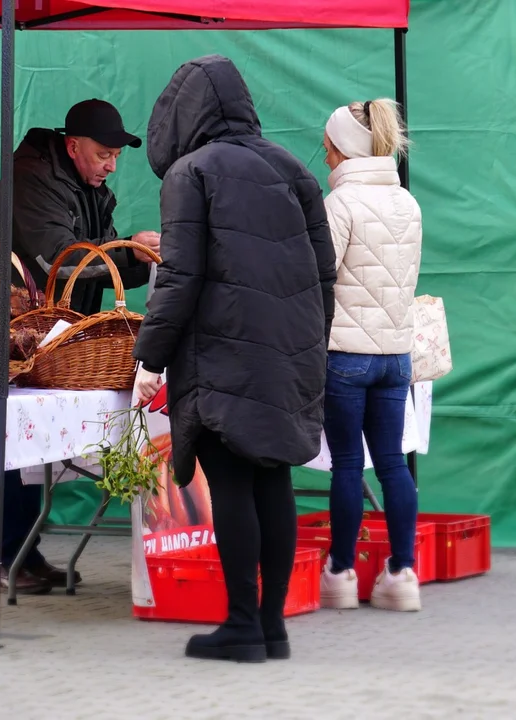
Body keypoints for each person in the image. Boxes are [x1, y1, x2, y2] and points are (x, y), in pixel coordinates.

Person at [132, 55, 336, 663]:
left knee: (231, 486)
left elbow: (180, 275)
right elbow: (325, 274)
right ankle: (270, 628)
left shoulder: (191, 173)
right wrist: (305, 343)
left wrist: (150, 357)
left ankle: (244, 625)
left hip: (221, 355)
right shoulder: (292, 169)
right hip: (289, 354)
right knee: (273, 481)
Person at [0, 99, 161, 595]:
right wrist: (127, 247)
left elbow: (99, 263)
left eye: (116, 157)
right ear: (72, 147)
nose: (111, 165)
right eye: (103, 154)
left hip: (43, 330)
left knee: (26, 441)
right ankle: (2, 559)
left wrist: (144, 257)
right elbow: (60, 264)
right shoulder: (30, 178)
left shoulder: (89, 187)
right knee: (3, 437)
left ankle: (22, 553)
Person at [316, 99, 423, 612]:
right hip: (395, 355)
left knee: (347, 467)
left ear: (341, 149)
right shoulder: (408, 202)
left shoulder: (339, 205)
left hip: (345, 355)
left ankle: (339, 573)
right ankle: (403, 573)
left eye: (327, 146)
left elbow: (321, 276)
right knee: (393, 466)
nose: (324, 154)